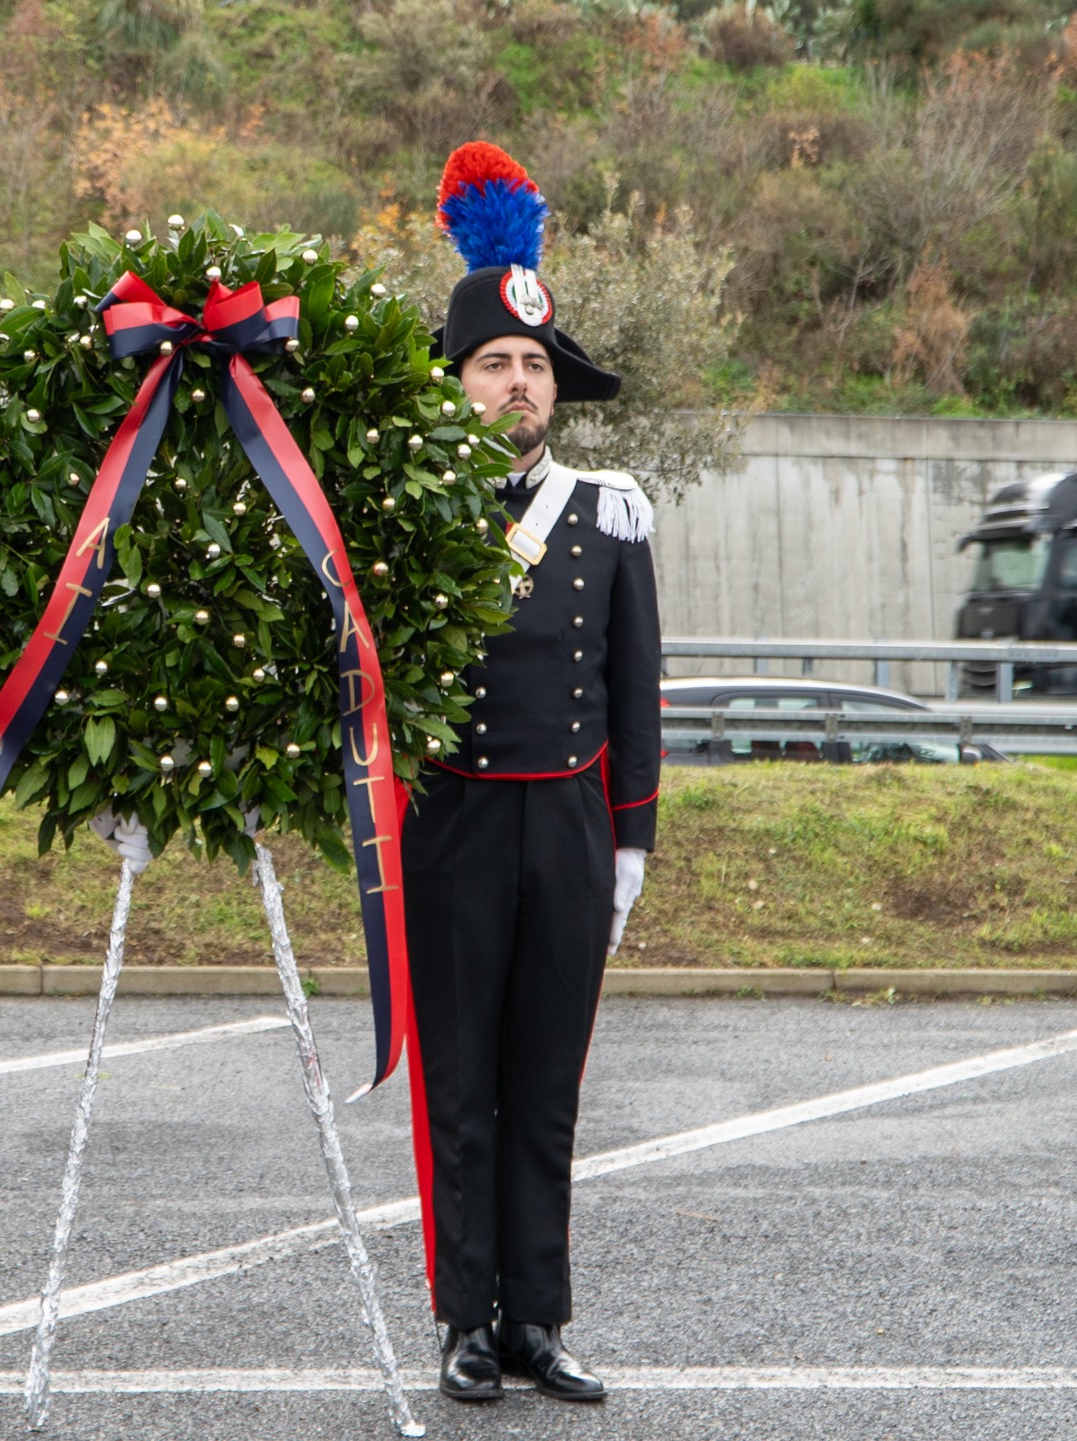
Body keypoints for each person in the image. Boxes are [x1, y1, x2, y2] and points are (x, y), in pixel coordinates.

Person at [400, 142, 659, 1406]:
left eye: (534, 366)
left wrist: (632, 842)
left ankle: (536, 1320)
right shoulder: (406, 511)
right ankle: (461, 1317)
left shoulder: (608, 512)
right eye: (495, 363)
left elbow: (631, 687)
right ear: (456, 382)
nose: (516, 384)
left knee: (544, 1087)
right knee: (461, 1086)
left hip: (564, 821)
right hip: (446, 820)